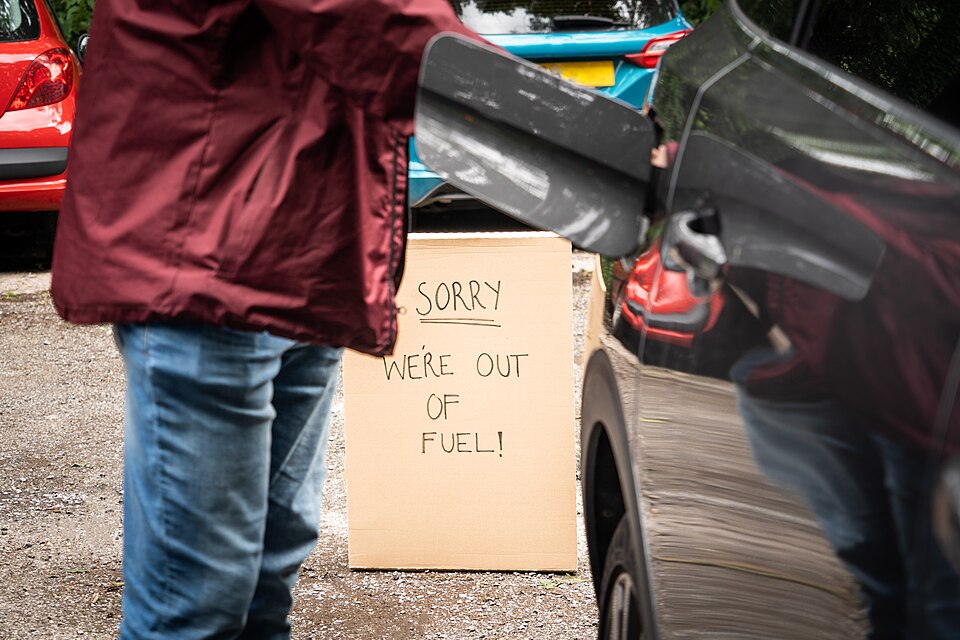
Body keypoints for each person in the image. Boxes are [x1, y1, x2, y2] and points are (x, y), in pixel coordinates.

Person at [50, 2, 473, 637]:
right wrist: (579, 138)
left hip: (300, 258)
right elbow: (370, 18)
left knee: (265, 585)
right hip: (212, 262)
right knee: (194, 608)